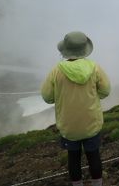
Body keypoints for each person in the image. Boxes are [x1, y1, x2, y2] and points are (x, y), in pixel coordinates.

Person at [41, 32, 111, 186]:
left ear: (65, 50)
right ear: (84, 49)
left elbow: (47, 97)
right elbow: (105, 90)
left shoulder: (56, 71)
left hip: (68, 126)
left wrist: (59, 97)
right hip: (91, 122)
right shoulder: (94, 68)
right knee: (93, 156)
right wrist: (93, 97)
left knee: (73, 158)